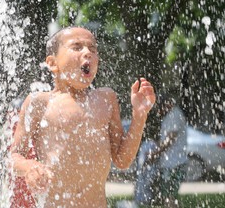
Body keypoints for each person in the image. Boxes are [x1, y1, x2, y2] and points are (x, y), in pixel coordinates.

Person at [10, 26, 156, 207]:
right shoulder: (39, 103)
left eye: (93, 49)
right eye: (77, 47)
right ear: (52, 63)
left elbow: (122, 160)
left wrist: (139, 116)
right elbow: (13, 157)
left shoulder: (105, 99)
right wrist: (29, 167)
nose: (87, 52)